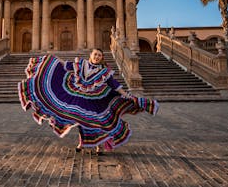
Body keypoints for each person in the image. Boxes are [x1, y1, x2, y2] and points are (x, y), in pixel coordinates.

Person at [18, 48, 159, 155]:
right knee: (80, 120)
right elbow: (65, 65)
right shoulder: (81, 64)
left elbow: (114, 84)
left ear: (101, 58)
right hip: (79, 97)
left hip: (95, 100)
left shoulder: (104, 72)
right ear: (90, 55)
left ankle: (98, 145)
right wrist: (52, 59)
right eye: (95, 54)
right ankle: (82, 143)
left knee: (96, 122)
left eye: (99, 55)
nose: (97, 57)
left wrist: (125, 94)